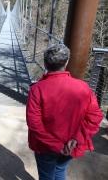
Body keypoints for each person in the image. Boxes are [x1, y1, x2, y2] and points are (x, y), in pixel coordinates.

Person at [26, 44, 103, 180]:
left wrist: (55, 145)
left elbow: (34, 123)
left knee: (46, 175)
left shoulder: (37, 89)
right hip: (71, 145)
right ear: (66, 63)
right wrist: (76, 139)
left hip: (46, 146)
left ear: (45, 63)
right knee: (60, 170)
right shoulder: (83, 87)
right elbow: (95, 116)